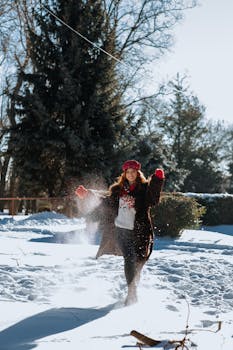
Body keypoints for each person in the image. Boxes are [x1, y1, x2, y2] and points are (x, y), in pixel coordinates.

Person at [75, 160, 165, 305]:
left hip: (140, 231)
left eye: (133, 172)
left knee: (139, 262)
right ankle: (131, 292)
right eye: (128, 172)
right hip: (122, 230)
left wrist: (157, 181)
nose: (130, 174)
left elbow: (153, 199)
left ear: (137, 173)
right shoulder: (117, 190)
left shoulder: (144, 189)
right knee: (129, 258)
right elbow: (106, 203)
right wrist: (87, 195)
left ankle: (133, 286)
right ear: (124, 174)